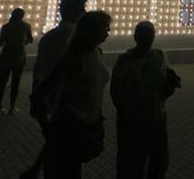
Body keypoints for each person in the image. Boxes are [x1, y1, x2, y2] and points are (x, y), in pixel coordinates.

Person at [32, 11, 112, 179]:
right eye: (105, 28)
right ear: (92, 30)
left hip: (88, 127)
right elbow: (39, 94)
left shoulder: (97, 53)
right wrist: (48, 129)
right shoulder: (73, 58)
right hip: (69, 130)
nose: (108, 32)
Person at [22, 0, 86, 179]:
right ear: (73, 12)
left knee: (57, 147)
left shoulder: (49, 37)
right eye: (82, 9)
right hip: (69, 106)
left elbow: (39, 71)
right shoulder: (75, 39)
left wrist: (37, 100)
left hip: (53, 104)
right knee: (66, 158)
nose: (84, 13)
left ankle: (38, 169)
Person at [111, 21, 180, 179]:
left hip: (156, 116)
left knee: (159, 159)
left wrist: (171, 85)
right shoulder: (125, 60)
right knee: (132, 161)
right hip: (131, 120)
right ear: (135, 37)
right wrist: (123, 112)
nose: (147, 40)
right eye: (143, 36)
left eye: (150, 36)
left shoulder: (159, 55)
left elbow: (166, 83)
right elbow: (115, 90)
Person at [0, 8, 34, 115]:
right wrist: (23, 41)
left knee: (2, 82)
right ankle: (12, 107)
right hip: (19, 56)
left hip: (6, 55)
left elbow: (0, 43)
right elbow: (30, 40)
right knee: (16, 82)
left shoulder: (6, 27)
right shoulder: (26, 26)